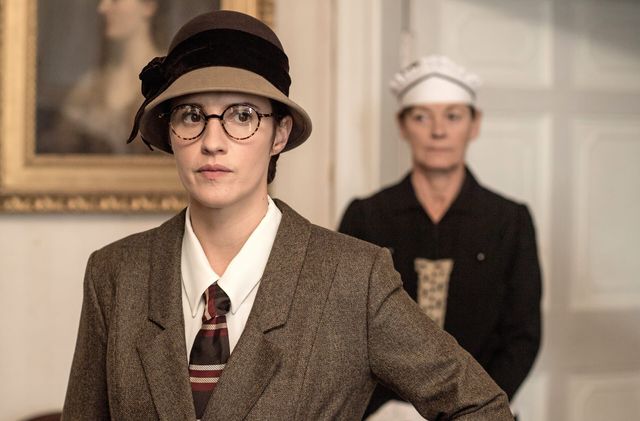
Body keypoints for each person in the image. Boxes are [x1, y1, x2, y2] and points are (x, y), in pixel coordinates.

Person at [61, 12, 514, 420]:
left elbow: (480, 407)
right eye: (192, 115)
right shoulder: (115, 274)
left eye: (242, 116)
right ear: (171, 132)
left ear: (279, 133)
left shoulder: (353, 278)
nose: (212, 142)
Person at [339, 55, 542, 419]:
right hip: (381, 412)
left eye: (453, 116)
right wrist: (382, 409)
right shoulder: (366, 216)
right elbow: (343, 328)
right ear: (402, 126)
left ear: (474, 124)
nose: (438, 131)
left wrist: (478, 406)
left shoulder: (509, 220)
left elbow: (522, 335)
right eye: (421, 117)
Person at [39, 0, 163, 154]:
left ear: (148, 6)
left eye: (115, 1)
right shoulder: (89, 87)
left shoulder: (170, 78)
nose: (102, 8)